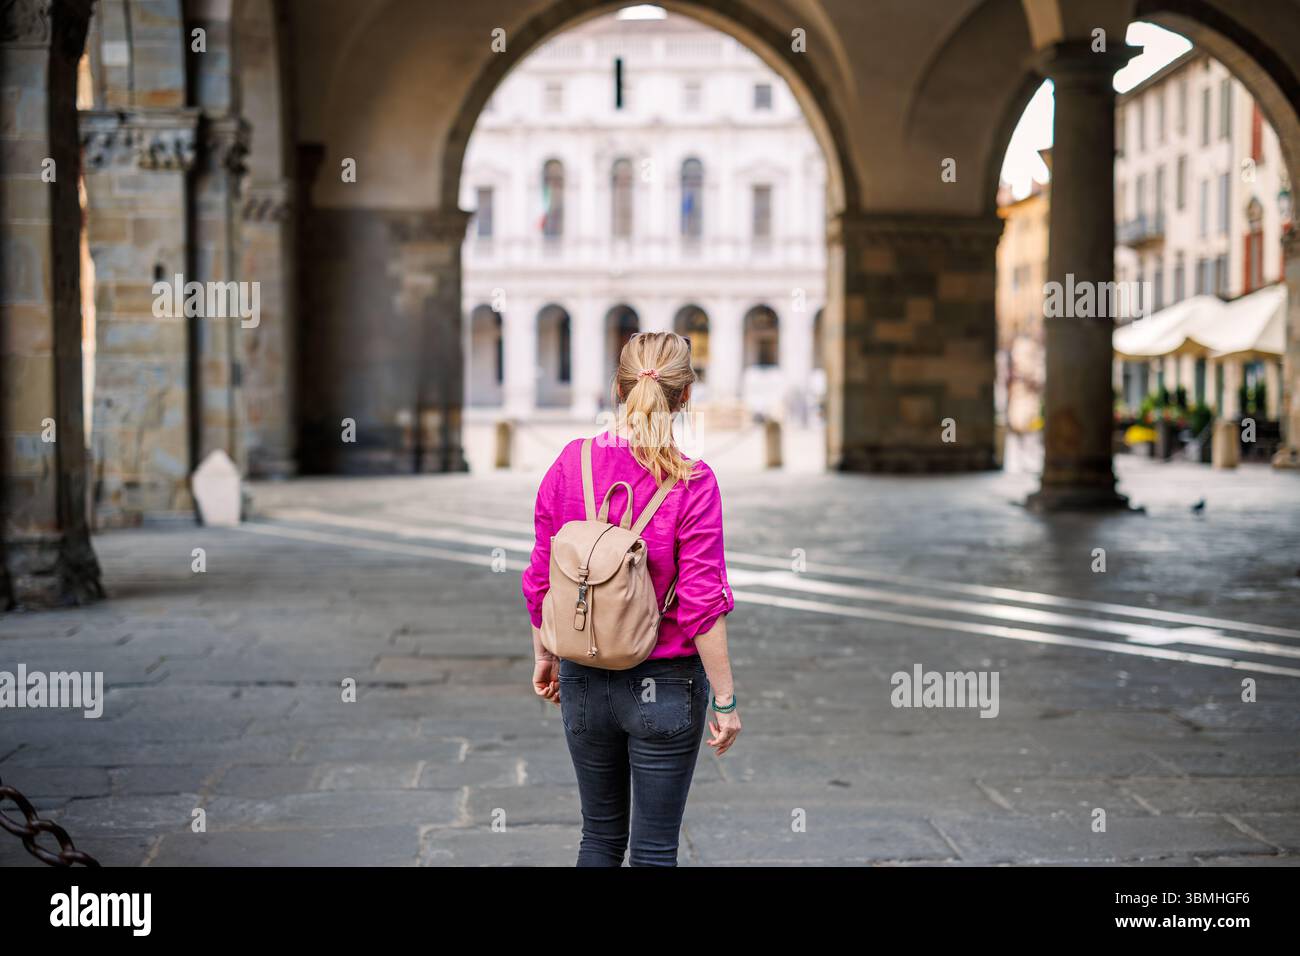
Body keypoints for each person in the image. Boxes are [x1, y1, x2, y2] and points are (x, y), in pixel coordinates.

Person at [521, 330, 741, 866]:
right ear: (686, 396)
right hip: (664, 683)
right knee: (653, 850)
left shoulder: (570, 464)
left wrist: (545, 655)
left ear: (618, 389)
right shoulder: (693, 481)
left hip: (582, 680)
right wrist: (727, 700)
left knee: (597, 839)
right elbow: (701, 602)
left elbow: (541, 576)